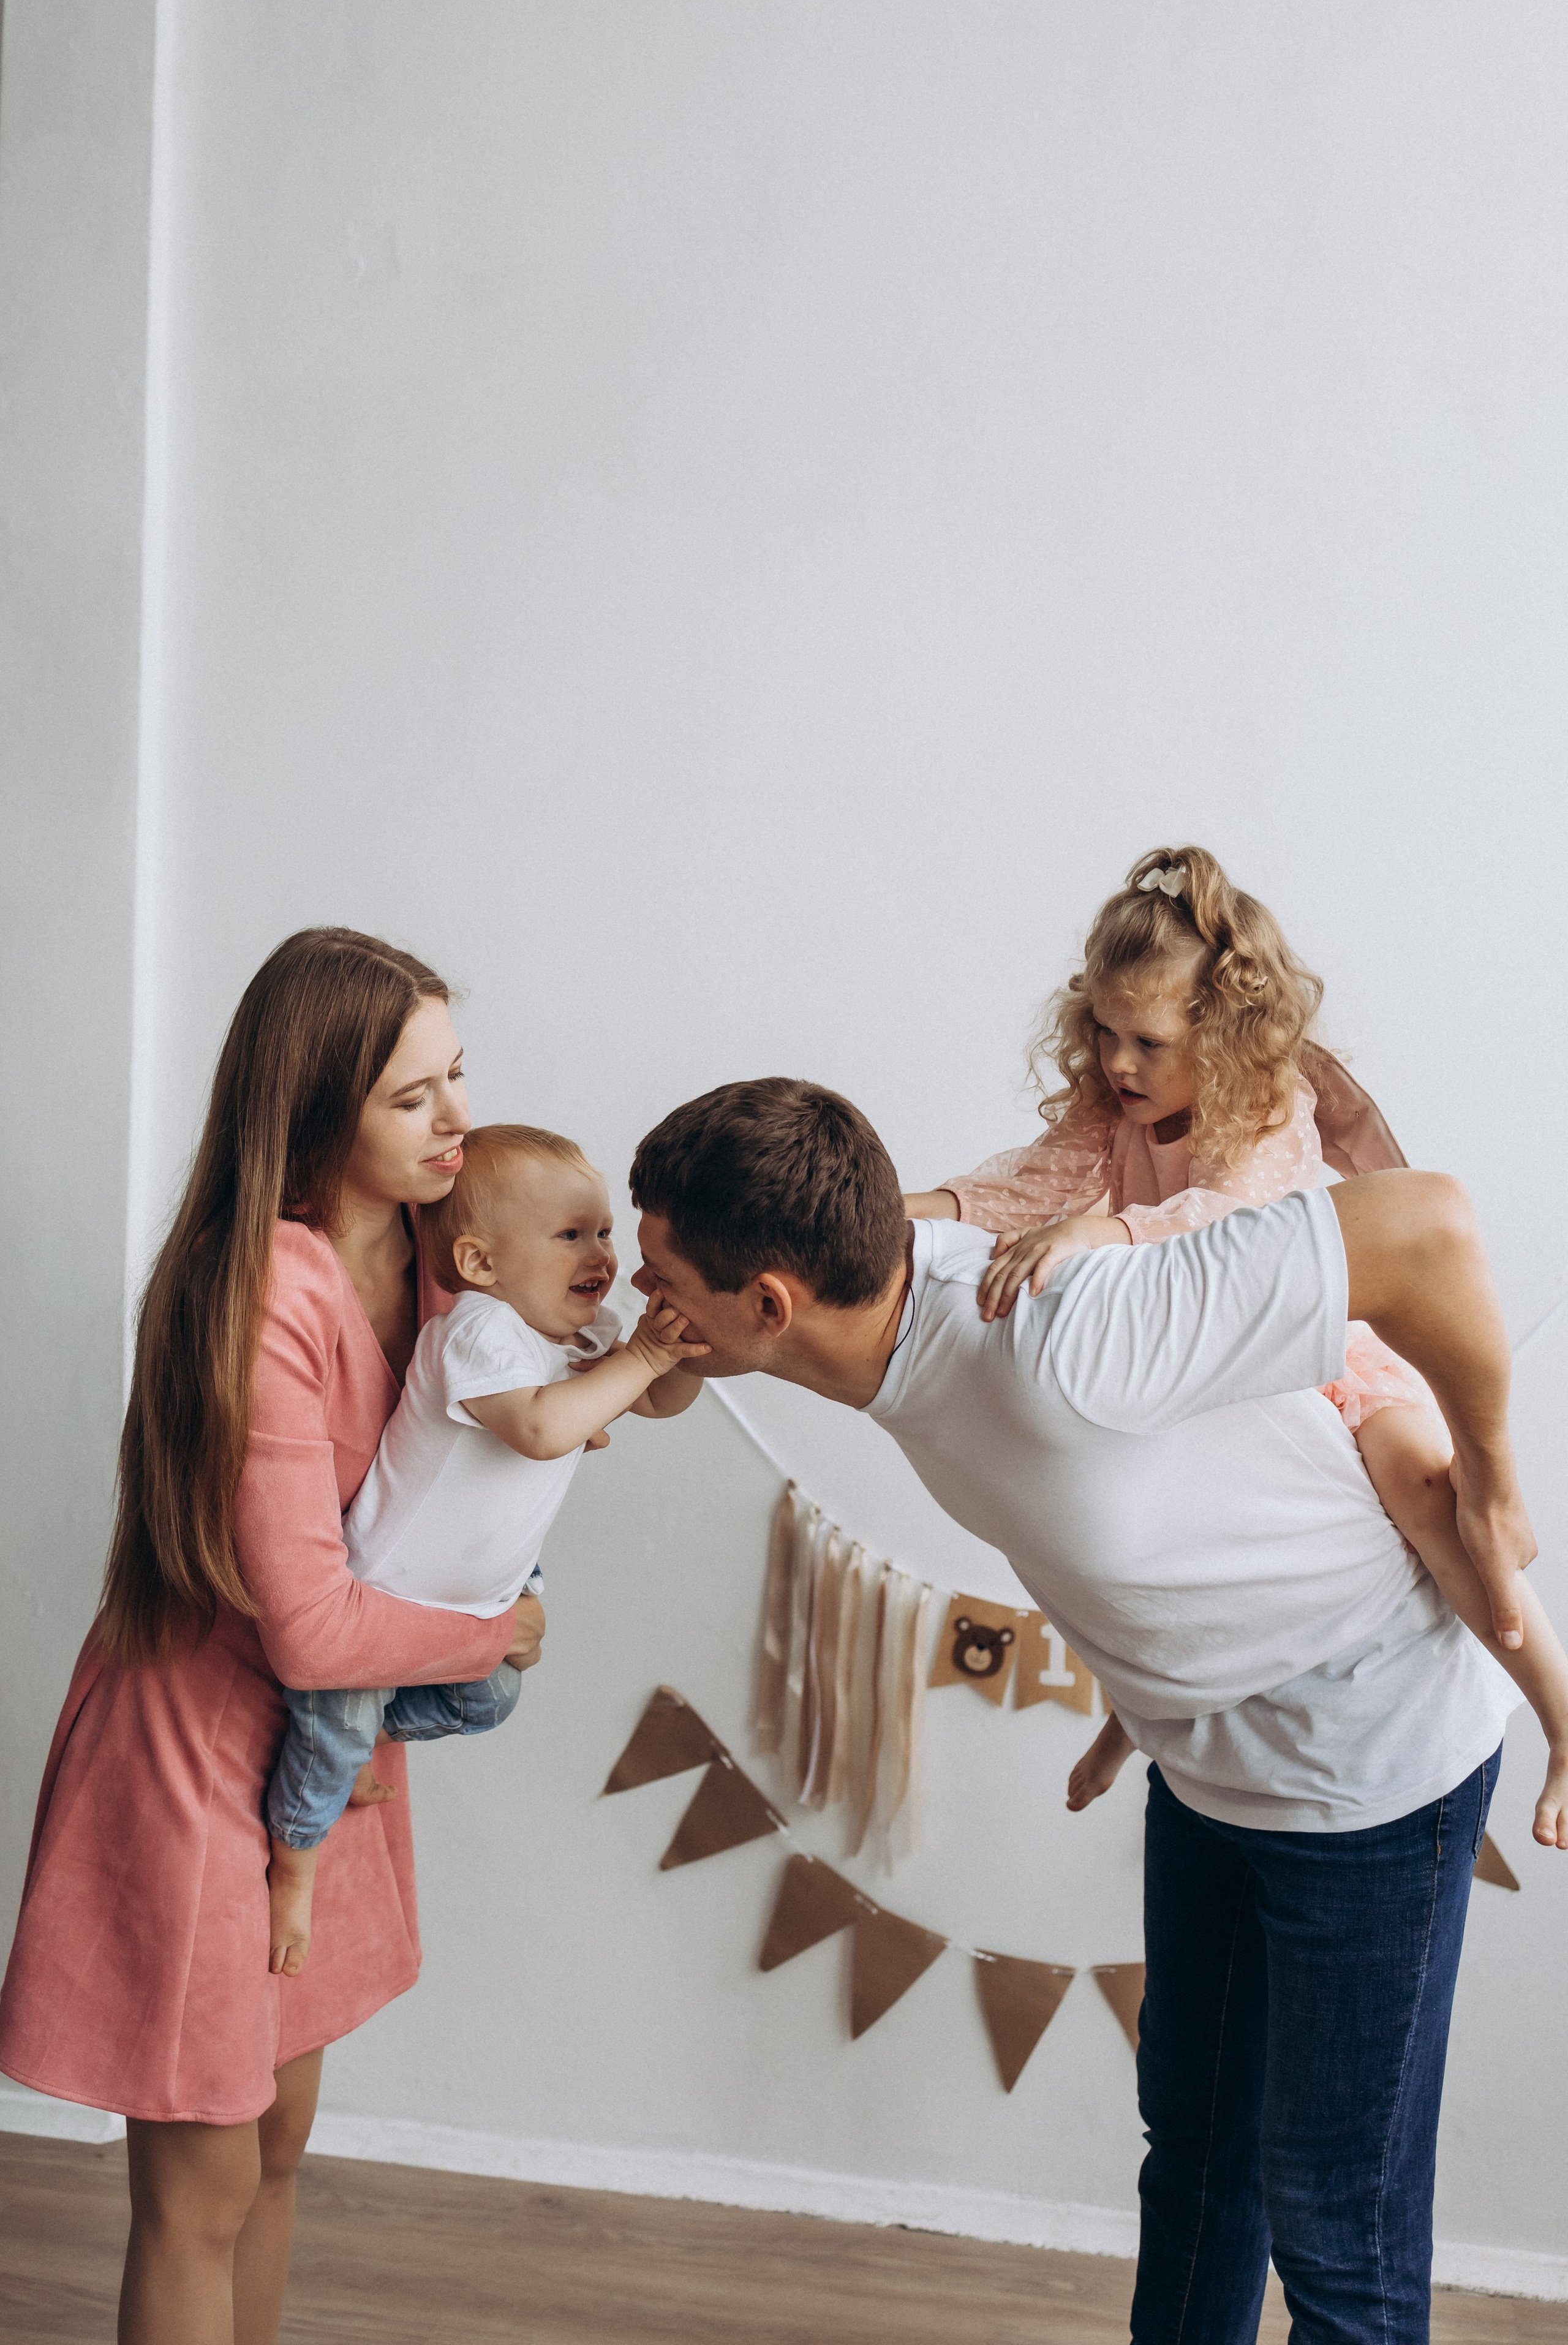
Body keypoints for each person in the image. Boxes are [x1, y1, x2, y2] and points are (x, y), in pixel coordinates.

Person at [627, 1075, 1545, 2345]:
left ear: (769, 1305)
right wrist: (1139, 1677)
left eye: (658, 1276)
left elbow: (1427, 1227)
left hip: (1365, 1759)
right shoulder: (903, 1332)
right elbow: (1119, 1505)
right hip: (1206, 1757)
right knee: (1196, 2155)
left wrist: (1490, 1485)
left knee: (1336, 2224)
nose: (643, 1300)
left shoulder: (1058, 1328)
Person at [0, 929, 543, 2345]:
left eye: (457, 1078)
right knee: (202, 2181)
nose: (456, 1120)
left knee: (282, 2140)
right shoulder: (258, 1296)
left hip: (325, 1755)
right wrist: (497, 1634)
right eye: (413, 1097)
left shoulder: (441, 1258)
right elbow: (307, 1628)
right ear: (314, 1116)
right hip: (199, 1760)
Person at [905, 845, 1568, 1831]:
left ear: (1218, 1037)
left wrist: (1106, 1230)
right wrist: (890, 1220)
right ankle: (1141, 1716)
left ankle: (1560, 1721)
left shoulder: (1263, 1107)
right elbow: (1023, 1188)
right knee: (1137, 1535)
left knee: (1428, 1490)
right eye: (1103, 1030)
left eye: (1149, 1041)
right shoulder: (1110, 1108)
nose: (1120, 1061)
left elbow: (1230, 1219)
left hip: (1327, 1348)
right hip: (1210, 1363)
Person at [265, 1122, 708, 1977]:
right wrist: (643, 1357)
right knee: (336, 1733)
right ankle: (294, 1859)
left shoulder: (579, 1336)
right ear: (479, 1264)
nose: (602, 1254)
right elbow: (541, 1429)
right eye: (571, 1235)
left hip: (473, 1603)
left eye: (605, 1232)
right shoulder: (479, 1331)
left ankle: (334, 1739)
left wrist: (683, 1350)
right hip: (385, 1594)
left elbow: (655, 1405)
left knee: (493, 1698)